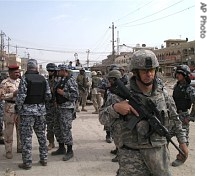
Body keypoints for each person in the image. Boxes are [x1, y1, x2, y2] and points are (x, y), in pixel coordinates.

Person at [99, 49, 188, 176]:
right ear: (135, 72)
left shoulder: (163, 95)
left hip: (159, 155)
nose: (149, 74)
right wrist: (115, 108)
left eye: (152, 70)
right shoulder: (119, 96)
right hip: (131, 157)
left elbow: (175, 119)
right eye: (145, 71)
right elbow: (102, 118)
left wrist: (182, 143)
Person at [15, 59, 52, 169]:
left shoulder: (25, 79)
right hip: (41, 112)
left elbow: (21, 96)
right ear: (36, 68)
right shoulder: (43, 79)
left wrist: (18, 109)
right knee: (41, 136)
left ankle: (27, 163)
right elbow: (48, 96)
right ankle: (44, 159)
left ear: (27, 67)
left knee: (26, 138)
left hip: (27, 113)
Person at [51, 64, 78, 161]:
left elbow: (75, 95)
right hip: (58, 108)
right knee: (57, 128)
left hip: (66, 108)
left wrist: (63, 94)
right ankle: (61, 147)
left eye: (60, 70)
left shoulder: (71, 81)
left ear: (65, 70)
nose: (58, 72)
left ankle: (70, 150)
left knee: (66, 129)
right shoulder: (59, 80)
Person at [171, 64, 195, 167]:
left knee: (183, 138)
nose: (177, 75)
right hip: (174, 114)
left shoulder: (189, 89)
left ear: (184, 75)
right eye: (177, 73)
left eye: (179, 73)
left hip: (183, 115)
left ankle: (181, 157)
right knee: (166, 134)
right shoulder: (177, 86)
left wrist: (190, 117)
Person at [0, 65, 21, 159]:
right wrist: (13, 94)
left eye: (18, 72)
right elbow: (2, 96)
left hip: (19, 107)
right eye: (16, 72)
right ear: (10, 73)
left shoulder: (21, 81)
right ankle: (8, 151)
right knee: (9, 130)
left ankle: (20, 147)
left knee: (20, 129)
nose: (18, 74)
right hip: (9, 107)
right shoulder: (4, 83)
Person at [98, 65, 119, 144]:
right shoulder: (106, 79)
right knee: (108, 119)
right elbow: (99, 88)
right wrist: (107, 92)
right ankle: (108, 135)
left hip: (118, 103)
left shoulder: (122, 79)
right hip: (108, 102)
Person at [45, 63, 59, 150]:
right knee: (49, 126)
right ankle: (51, 142)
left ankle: (61, 143)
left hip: (58, 106)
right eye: (49, 71)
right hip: (49, 106)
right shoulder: (46, 81)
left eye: (52, 71)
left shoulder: (60, 80)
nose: (50, 72)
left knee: (59, 126)